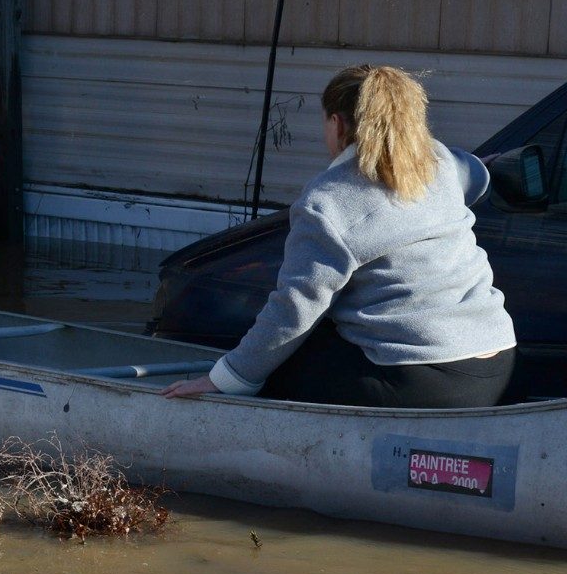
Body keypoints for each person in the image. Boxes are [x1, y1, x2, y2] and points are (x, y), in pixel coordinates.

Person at [162, 64, 515, 408]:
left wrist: (226, 379)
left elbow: (294, 309)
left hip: (422, 379)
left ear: (337, 122)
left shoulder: (328, 203)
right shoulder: (442, 163)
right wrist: (485, 166)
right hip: (497, 362)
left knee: (280, 368)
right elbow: (476, 177)